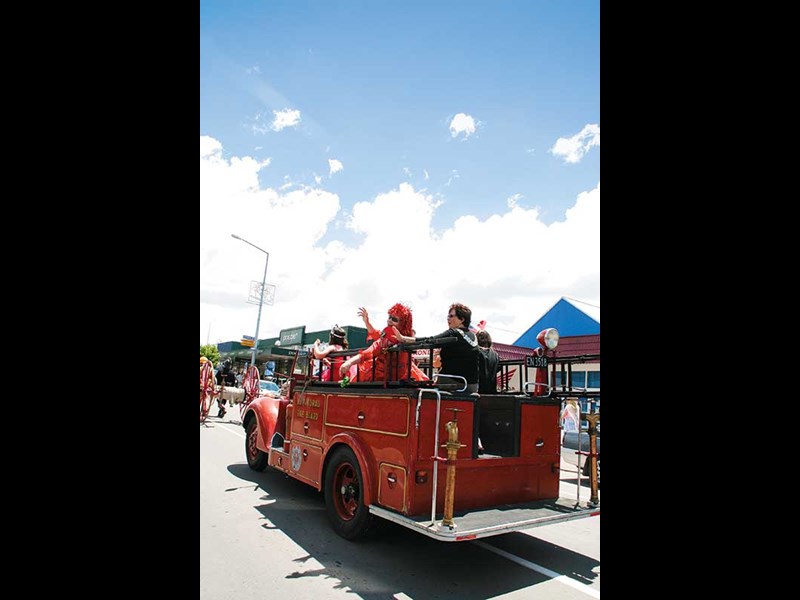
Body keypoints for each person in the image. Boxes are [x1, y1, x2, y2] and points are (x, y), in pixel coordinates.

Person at [391, 302, 479, 393]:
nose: (448, 319)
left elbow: (431, 340)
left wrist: (403, 338)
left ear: (462, 319)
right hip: (473, 386)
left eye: (451, 316)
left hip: (455, 382)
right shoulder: (473, 336)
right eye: (448, 316)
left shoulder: (454, 332)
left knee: (421, 388)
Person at [339, 303, 427, 382]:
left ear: (403, 324)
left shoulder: (408, 339)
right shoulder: (385, 338)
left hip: (402, 379)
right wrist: (349, 362)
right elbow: (369, 351)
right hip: (383, 379)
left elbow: (416, 342)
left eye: (394, 319)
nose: (389, 320)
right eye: (389, 317)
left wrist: (402, 339)